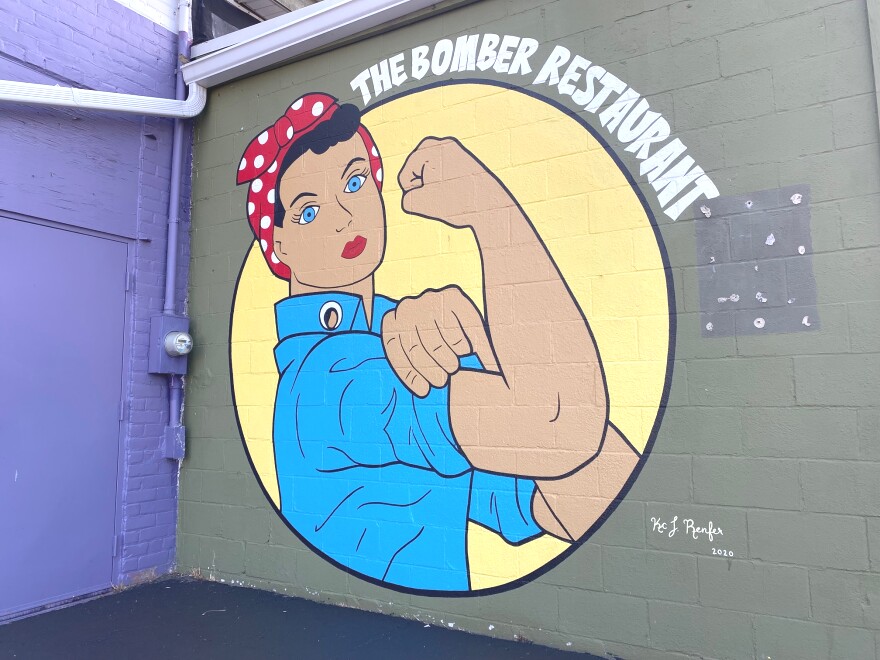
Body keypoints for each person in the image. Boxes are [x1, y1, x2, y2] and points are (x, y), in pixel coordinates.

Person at [236, 93, 639, 591]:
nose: (343, 216)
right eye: (309, 212)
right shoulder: (333, 379)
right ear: (279, 245)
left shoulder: (396, 342)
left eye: (355, 183)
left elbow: (598, 499)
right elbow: (556, 425)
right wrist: (492, 214)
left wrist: (480, 344)